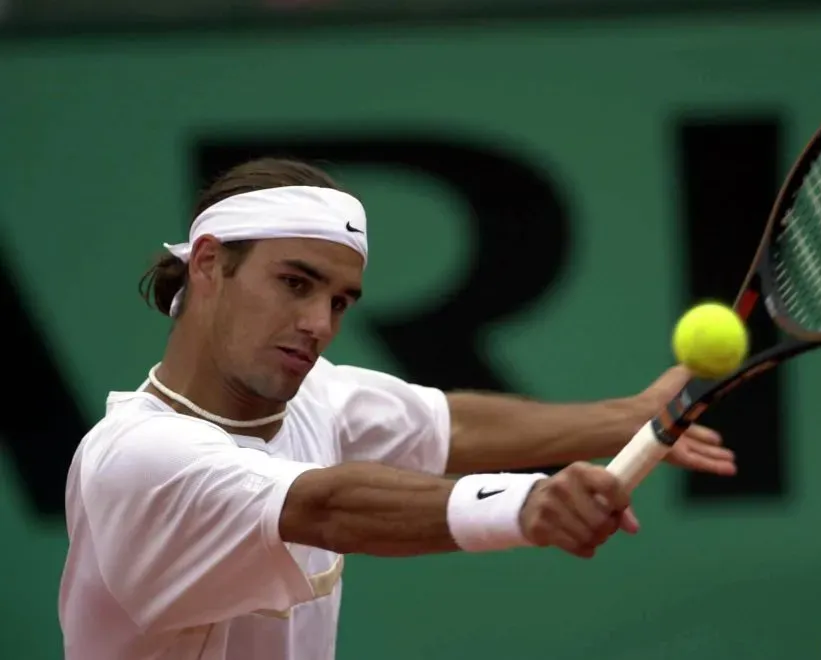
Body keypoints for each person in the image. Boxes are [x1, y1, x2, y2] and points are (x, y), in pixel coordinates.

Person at [58, 158, 736, 660]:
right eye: (295, 283)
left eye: (339, 301)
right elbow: (328, 505)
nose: (318, 323)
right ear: (208, 265)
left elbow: (450, 424)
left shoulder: (313, 394)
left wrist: (631, 416)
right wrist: (527, 505)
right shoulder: (136, 460)